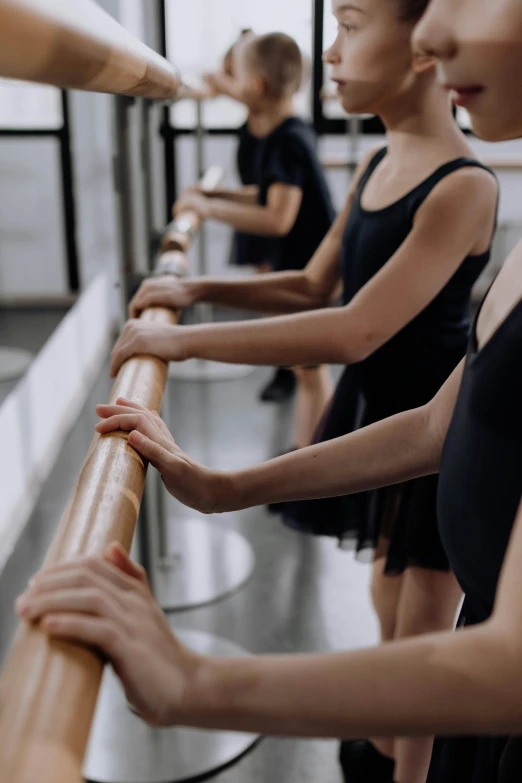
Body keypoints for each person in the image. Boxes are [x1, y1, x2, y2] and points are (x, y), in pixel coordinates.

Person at [16, 1, 522, 782]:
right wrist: (220, 485)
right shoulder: (401, 178)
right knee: (394, 622)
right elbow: (432, 425)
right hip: (406, 453)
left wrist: (193, 681)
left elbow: (352, 328)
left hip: (483, 684)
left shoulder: (465, 186)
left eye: (351, 24)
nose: (431, 33)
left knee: (411, 631)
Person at [184, 32, 336, 421]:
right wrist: (217, 197)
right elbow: (266, 195)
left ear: (255, 86)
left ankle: (315, 457)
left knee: (309, 370)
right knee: (304, 369)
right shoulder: (282, 131)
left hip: (306, 269)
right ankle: (308, 451)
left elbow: (276, 218)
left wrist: (209, 210)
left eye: (235, 79)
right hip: (301, 264)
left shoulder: (286, 139)